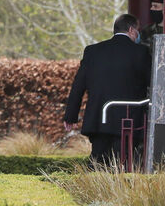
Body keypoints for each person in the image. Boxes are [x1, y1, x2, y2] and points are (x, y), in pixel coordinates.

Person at [63, 13, 152, 166]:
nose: (138, 34)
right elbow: (151, 81)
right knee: (124, 163)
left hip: (99, 118)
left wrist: (70, 115)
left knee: (98, 163)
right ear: (131, 30)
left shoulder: (93, 51)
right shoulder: (140, 52)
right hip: (129, 119)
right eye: (138, 30)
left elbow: (78, 85)